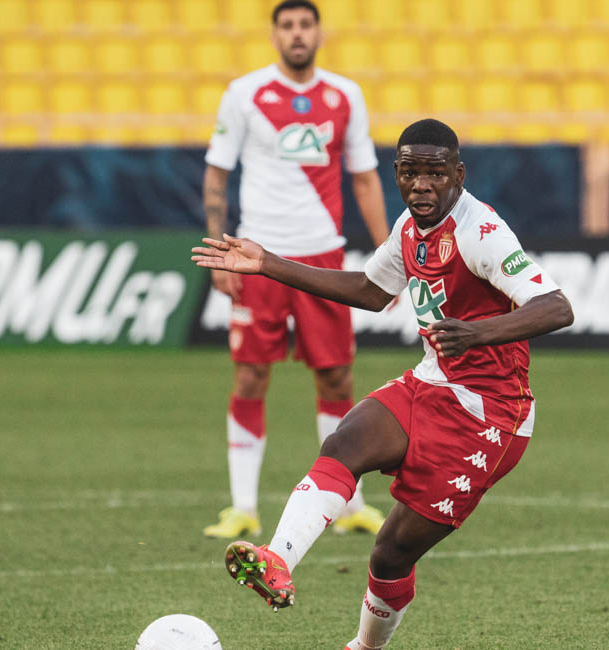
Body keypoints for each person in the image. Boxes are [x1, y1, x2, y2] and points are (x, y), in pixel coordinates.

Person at [191, 119, 574, 649]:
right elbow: (373, 291)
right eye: (410, 172)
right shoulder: (409, 229)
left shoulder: (481, 232)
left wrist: (477, 333)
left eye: (435, 173)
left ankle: (364, 647)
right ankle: (276, 559)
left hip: (489, 414)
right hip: (431, 383)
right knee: (345, 442)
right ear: (396, 173)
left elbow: (557, 307)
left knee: (391, 554)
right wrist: (269, 264)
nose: (421, 185)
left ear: (459, 175)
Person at [201, 0, 390, 539]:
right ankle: (242, 507)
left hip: (323, 257)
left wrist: (388, 254)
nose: (297, 34)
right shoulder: (244, 93)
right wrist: (219, 251)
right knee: (250, 374)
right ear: (274, 35)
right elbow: (216, 176)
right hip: (257, 256)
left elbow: (365, 179)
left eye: (305, 24)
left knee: (336, 375)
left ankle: (348, 506)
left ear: (319, 33)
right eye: (287, 25)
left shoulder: (345, 95)